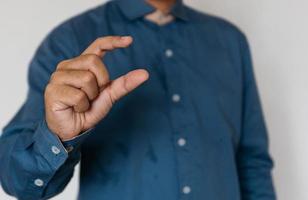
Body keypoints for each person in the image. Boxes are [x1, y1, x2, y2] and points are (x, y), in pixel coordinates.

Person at [0, 0, 276, 199]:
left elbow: (252, 161)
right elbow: (17, 181)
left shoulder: (230, 41)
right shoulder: (70, 39)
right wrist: (58, 136)